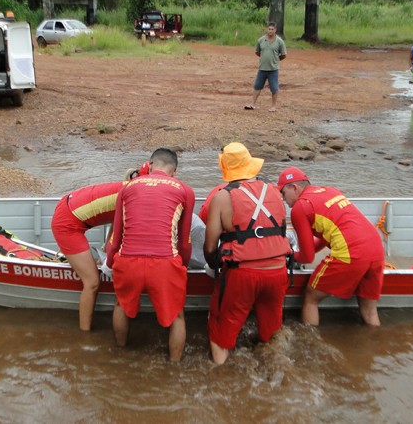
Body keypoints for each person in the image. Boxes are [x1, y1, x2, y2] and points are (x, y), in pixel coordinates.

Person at [203, 143, 292, 364]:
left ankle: (221, 378)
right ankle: (274, 373)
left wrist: (214, 266)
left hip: (242, 274)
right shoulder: (274, 190)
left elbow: (210, 246)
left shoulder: (223, 197)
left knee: (220, 331)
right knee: (271, 333)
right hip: (278, 271)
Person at [105, 148, 195, 361]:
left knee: (120, 304)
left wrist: (109, 263)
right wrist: (183, 265)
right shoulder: (185, 190)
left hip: (128, 261)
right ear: (174, 171)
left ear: (150, 164)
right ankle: (174, 366)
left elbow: (116, 236)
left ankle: (120, 352)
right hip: (165, 264)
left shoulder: (127, 188)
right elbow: (184, 241)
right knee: (178, 316)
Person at [277, 166, 385, 327]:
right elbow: (327, 236)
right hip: (376, 248)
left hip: (351, 252)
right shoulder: (330, 191)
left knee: (311, 297)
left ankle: (310, 342)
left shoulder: (300, 207)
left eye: (283, 193)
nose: (283, 200)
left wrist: (287, 253)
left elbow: (307, 257)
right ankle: (374, 343)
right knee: (369, 311)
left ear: (294, 187)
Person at [51, 163, 148, 331]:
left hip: (69, 206)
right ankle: (84, 332)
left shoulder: (127, 188)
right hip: (67, 224)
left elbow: (115, 224)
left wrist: (106, 250)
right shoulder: (133, 196)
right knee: (92, 282)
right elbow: (121, 234)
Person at [246, 22, 286, 113]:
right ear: (267, 29)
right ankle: (252, 104)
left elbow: (284, 55)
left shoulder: (279, 41)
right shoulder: (261, 40)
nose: (270, 31)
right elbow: (257, 52)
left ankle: (273, 106)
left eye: (272, 29)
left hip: (273, 69)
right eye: (269, 29)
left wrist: (276, 60)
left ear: (275, 30)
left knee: (274, 88)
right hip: (262, 68)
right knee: (257, 86)